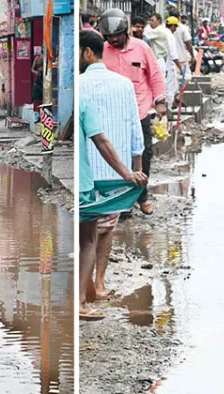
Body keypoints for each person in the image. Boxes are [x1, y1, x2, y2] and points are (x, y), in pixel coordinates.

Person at [80, 30, 145, 308]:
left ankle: (85, 293)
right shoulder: (124, 84)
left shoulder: (78, 86)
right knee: (105, 231)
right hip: (117, 173)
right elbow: (135, 131)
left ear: (86, 53)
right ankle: (99, 283)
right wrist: (135, 175)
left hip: (88, 172)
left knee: (88, 234)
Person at [79, 96, 148, 320]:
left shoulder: (80, 96)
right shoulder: (85, 101)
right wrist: (128, 173)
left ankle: (87, 290)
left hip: (84, 180)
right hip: (84, 184)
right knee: (88, 241)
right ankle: (82, 299)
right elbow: (101, 141)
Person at [101, 8, 166, 215]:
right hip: (112, 114)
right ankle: (122, 201)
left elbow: (155, 75)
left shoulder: (142, 48)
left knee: (142, 155)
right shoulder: (102, 51)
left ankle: (141, 195)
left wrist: (160, 101)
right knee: (116, 156)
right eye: (109, 37)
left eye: (116, 36)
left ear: (125, 32)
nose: (113, 40)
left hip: (139, 112)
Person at [146, 13, 181, 108]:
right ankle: (167, 110)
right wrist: (180, 68)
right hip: (165, 64)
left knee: (162, 87)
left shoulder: (160, 32)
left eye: (152, 20)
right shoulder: (166, 33)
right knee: (168, 89)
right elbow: (173, 54)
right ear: (173, 26)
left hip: (161, 62)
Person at [169, 9, 195, 75]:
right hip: (181, 59)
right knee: (186, 78)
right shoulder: (183, 28)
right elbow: (188, 44)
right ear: (179, 18)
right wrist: (192, 56)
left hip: (169, 60)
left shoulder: (164, 27)